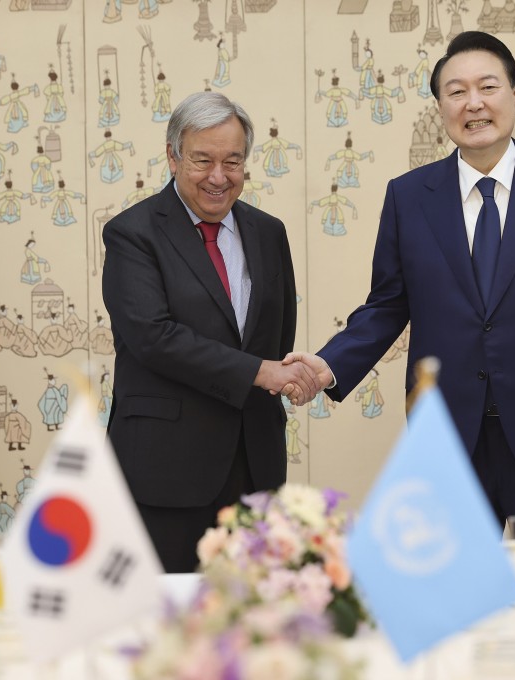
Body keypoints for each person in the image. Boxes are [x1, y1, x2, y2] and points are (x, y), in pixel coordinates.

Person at [285, 32, 515, 560]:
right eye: (456, 92)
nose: (474, 103)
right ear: (441, 106)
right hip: (448, 429)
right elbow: (387, 304)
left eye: (488, 87)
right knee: (455, 585)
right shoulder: (408, 196)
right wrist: (329, 365)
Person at [102, 91, 319, 572]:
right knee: (166, 609)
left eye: (232, 161)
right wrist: (259, 372)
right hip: (165, 472)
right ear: (173, 156)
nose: (219, 177)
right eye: (203, 160)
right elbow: (153, 337)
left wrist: (281, 372)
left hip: (255, 466)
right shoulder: (132, 233)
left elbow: (277, 336)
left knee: (253, 606)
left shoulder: (269, 233)